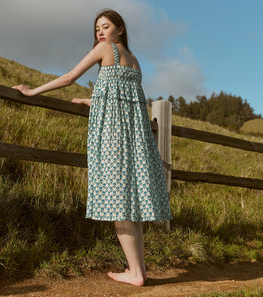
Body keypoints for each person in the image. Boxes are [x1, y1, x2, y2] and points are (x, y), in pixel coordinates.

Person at [13, 9, 172, 287]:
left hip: (114, 136)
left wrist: (32, 91)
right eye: (97, 28)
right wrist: (92, 100)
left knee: (118, 204)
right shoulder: (133, 60)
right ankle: (140, 270)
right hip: (135, 136)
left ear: (120, 29)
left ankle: (135, 273)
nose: (100, 32)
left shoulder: (104, 49)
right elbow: (124, 97)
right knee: (130, 204)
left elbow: (69, 77)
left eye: (106, 26)